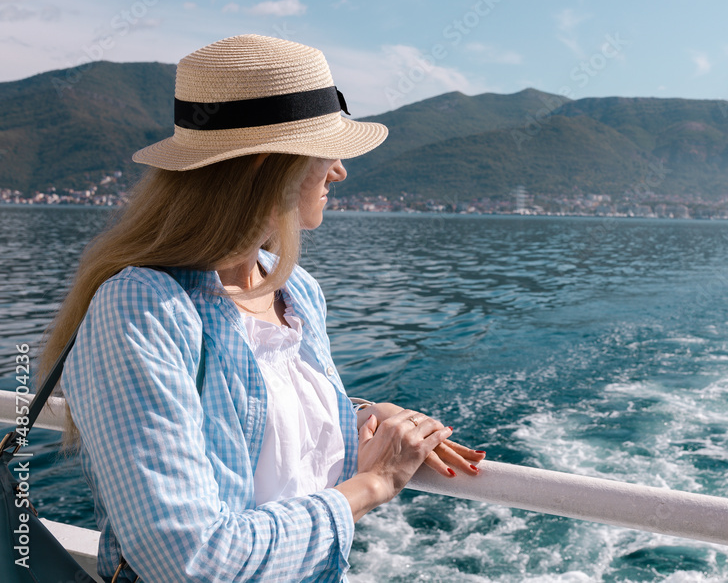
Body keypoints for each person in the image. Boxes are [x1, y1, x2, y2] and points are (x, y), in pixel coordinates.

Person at [44, 34, 485, 582]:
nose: (340, 170)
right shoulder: (142, 309)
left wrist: (359, 418)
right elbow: (191, 562)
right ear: (263, 166)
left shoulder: (295, 290)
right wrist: (373, 485)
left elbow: (255, 432)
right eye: (325, 148)